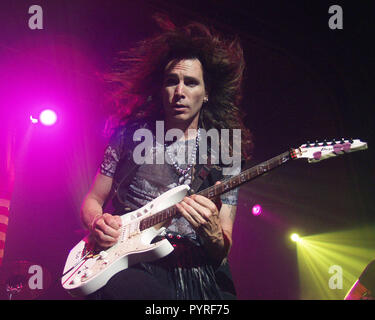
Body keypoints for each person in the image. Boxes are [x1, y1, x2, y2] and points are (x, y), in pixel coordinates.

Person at [81, 17, 253, 300]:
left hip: (194, 273)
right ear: (161, 89)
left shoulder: (225, 150)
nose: (180, 92)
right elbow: (92, 200)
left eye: (191, 83)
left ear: (207, 92)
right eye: (172, 82)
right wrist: (98, 223)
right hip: (130, 263)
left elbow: (224, 242)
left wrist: (212, 233)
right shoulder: (130, 136)